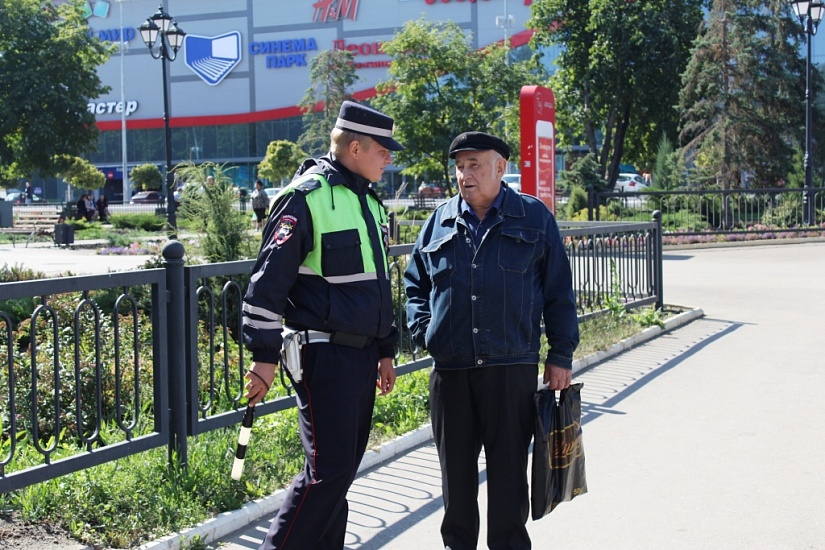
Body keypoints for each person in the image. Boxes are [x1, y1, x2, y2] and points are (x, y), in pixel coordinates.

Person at [404, 131, 580, 550]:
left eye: (475, 165)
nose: (465, 175)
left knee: (508, 481)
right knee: (457, 484)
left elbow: (558, 291)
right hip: (452, 374)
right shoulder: (439, 221)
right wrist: (426, 332)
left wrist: (560, 355)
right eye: (460, 167)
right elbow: (414, 284)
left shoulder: (533, 218)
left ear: (501, 168)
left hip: (510, 369)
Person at [242, 100, 403, 549]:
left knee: (340, 475)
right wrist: (263, 358)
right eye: (382, 149)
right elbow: (267, 286)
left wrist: (386, 348)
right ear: (355, 147)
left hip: (362, 354)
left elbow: (376, 283)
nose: (388, 157)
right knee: (327, 473)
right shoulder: (305, 198)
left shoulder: (367, 201)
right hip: (322, 353)